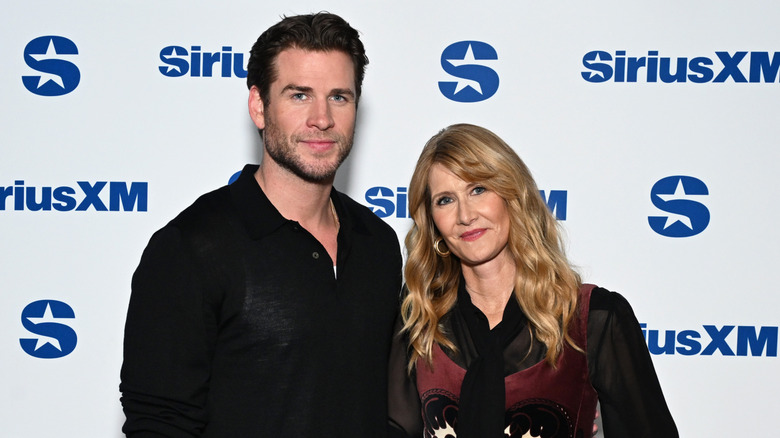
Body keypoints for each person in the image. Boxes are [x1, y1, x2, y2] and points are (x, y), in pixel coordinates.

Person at [120, 13, 402, 437]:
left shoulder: (378, 242)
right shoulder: (191, 246)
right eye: (299, 95)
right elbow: (159, 423)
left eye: (339, 97)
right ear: (259, 106)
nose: (322, 119)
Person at [387, 124, 678, 437]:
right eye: (445, 200)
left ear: (512, 193)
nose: (465, 215)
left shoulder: (592, 319)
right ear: (431, 220)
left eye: (478, 189)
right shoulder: (419, 317)